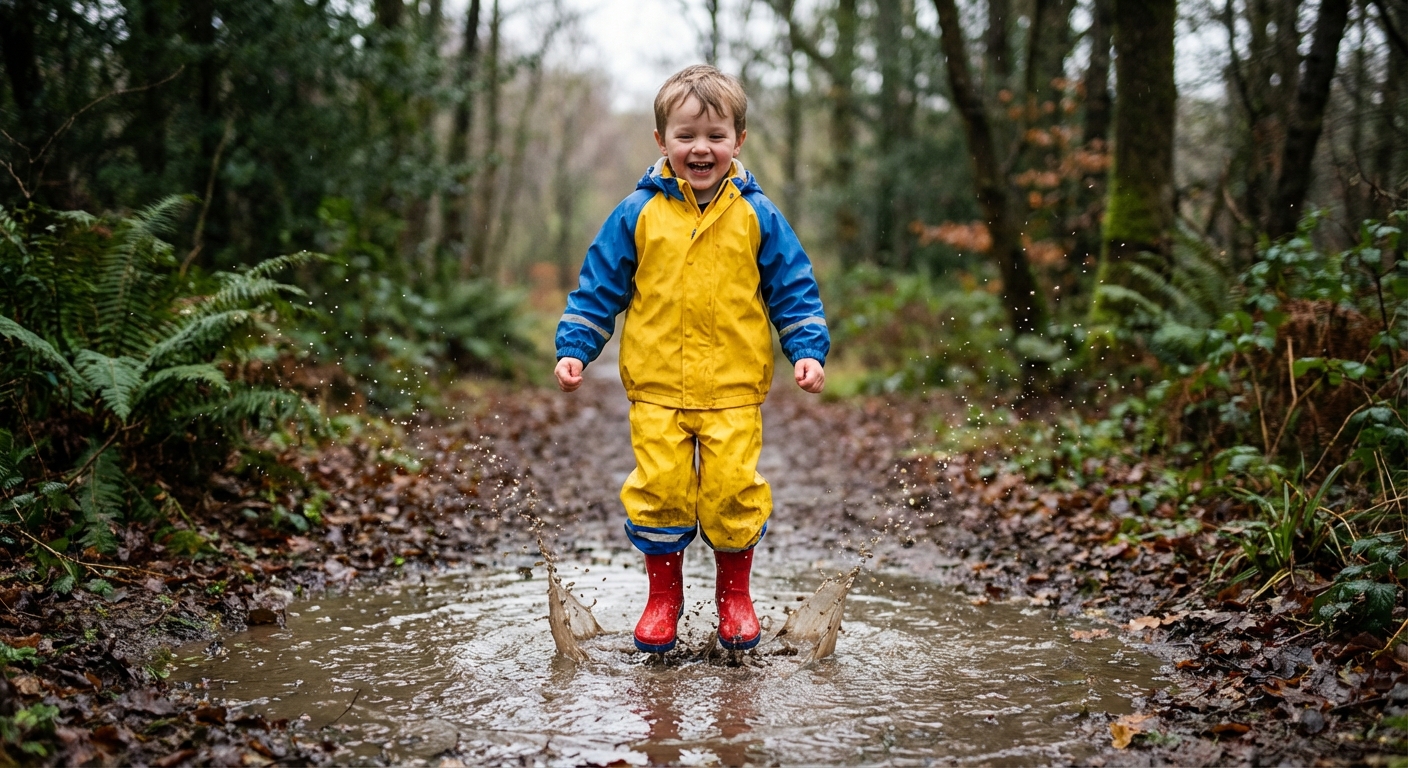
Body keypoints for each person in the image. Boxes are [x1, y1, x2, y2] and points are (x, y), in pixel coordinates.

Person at [553, 64, 829, 654]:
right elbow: (600, 287)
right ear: (661, 142)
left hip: (733, 386)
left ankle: (735, 596)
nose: (700, 148)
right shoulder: (637, 214)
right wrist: (577, 347)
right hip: (656, 386)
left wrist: (806, 350)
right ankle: (664, 599)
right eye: (685, 136)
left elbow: (793, 288)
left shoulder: (758, 215)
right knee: (659, 489)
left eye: (715, 135)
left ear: (738, 141)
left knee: (732, 489)